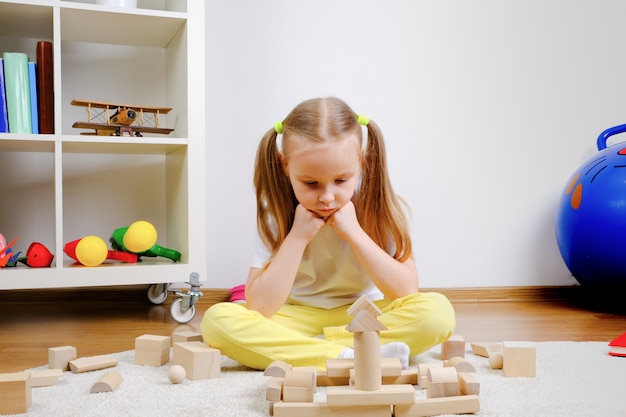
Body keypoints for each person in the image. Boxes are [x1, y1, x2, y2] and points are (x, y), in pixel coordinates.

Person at [201, 97, 455, 370]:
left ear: (361, 162)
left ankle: (313, 349)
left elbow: (406, 290)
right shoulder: (275, 216)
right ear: (286, 166)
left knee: (438, 313)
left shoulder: (378, 209)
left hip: (365, 314)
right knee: (217, 321)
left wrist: (355, 233)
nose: (327, 197)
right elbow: (259, 306)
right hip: (297, 316)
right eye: (311, 183)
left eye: (341, 181)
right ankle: (350, 355)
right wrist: (297, 237)